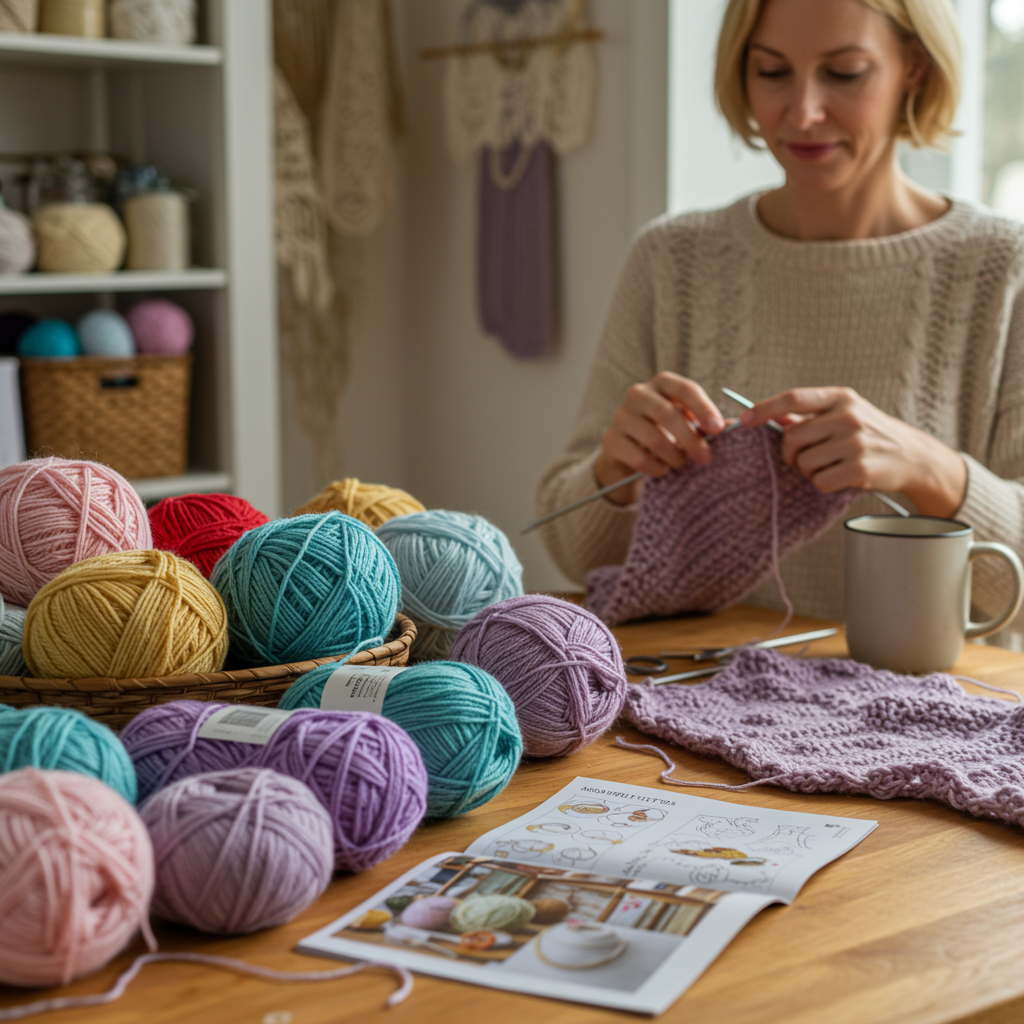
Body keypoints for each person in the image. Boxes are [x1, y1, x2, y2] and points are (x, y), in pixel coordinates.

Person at [536, 0, 1024, 646]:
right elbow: (576, 555)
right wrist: (612, 476)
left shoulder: (1003, 269)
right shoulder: (672, 260)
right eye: (771, 72)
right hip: (700, 708)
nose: (802, 112)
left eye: (844, 73)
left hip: (929, 726)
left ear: (916, 65)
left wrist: (929, 469)